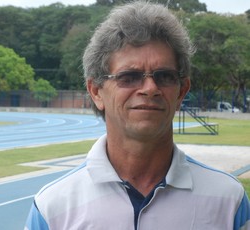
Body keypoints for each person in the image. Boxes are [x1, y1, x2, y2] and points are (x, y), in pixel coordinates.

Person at [25, 1, 250, 229]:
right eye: (129, 76)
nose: (150, 88)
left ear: (181, 91)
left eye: (164, 76)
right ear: (96, 92)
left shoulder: (230, 200)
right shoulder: (52, 208)